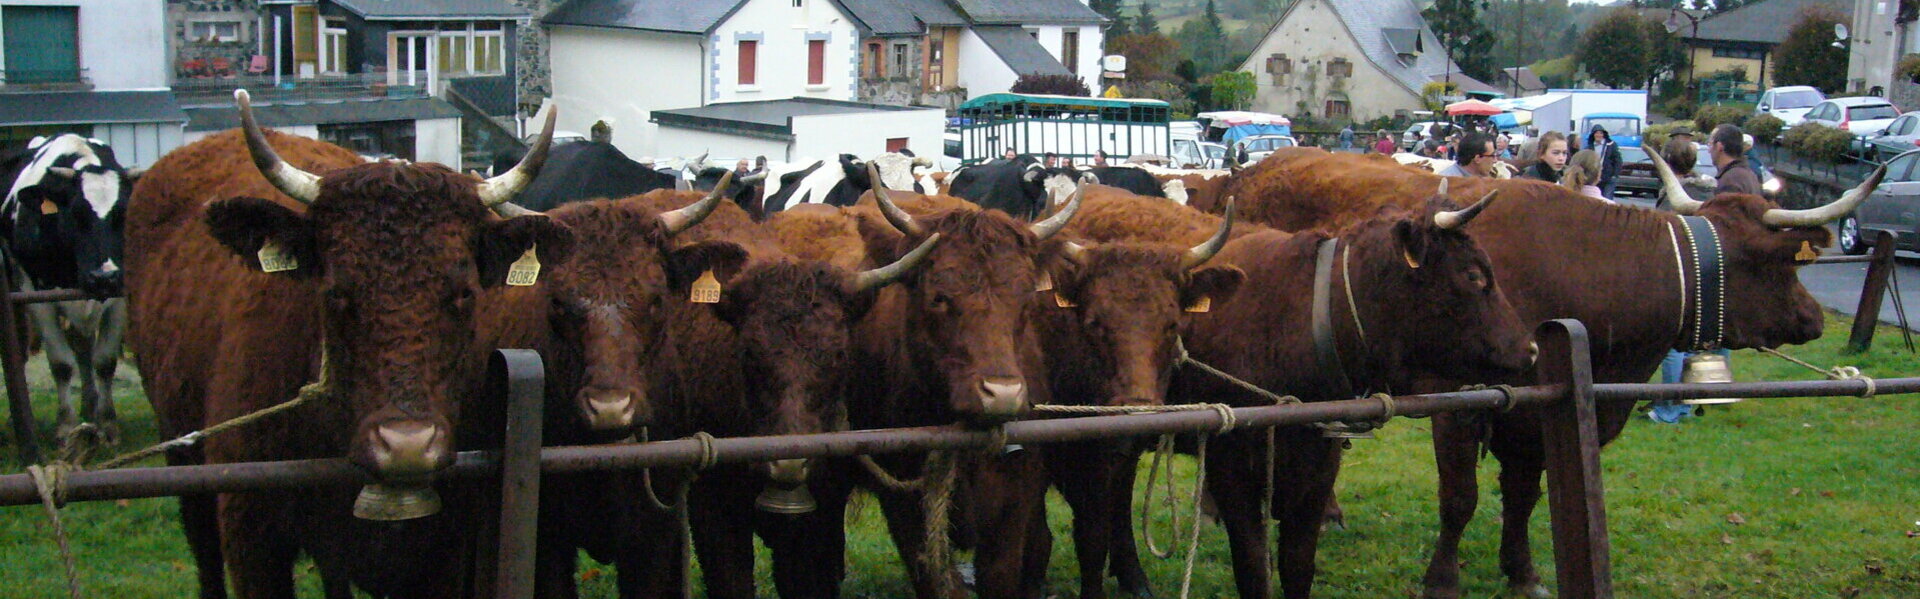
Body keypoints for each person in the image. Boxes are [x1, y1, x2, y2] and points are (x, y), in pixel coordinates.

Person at [1709, 124, 1762, 195]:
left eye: (1710, 144)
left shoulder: (1730, 181)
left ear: (1719, 146)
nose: (1709, 150)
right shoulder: (1748, 174)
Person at [1587, 126, 1623, 198]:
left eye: (1601, 133)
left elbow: (1618, 160)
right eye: (1596, 133)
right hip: (1595, 178)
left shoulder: (1611, 145)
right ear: (1593, 135)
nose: (1599, 135)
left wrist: (1615, 175)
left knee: (1607, 198)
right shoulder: (1589, 147)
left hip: (1609, 177)